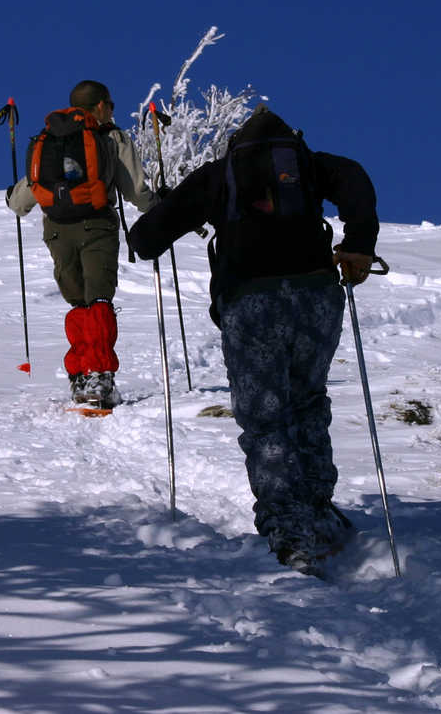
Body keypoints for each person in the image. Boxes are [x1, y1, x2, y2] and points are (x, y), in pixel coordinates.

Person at [128, 104, 379, 572]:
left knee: (265, 420)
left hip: (251, 302)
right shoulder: (311, 164)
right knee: (307, 401)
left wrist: (146, 235)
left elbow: (147, 238)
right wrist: (359, 244)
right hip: (315, 297)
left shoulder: (218, 175)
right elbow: (356, 181)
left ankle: (290, 529)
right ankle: (317, 508)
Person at [7, 80, 158, 409]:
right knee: (99, 298)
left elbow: (22, 199)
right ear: (101, 106)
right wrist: (156, 203)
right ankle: (99, 377)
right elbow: (136, 192)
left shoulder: (48, 138)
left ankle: (80, 375)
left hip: (57, 230)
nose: (113, 109)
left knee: (78, 302)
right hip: (96, 225)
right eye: (111, 104)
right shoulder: (111, 137)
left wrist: (15, 198)